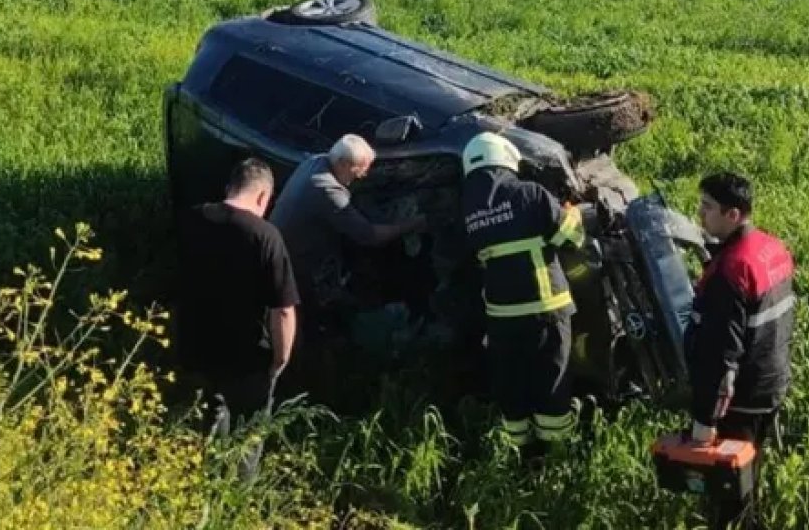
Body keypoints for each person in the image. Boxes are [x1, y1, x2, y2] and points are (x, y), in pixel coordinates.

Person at [172, 157, 299, 481]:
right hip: (247, 357)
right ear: (263, 196)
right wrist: (280, 359)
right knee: (248, 436)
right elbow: (283, 310)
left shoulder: (189, 220)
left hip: (193, 346)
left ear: (229, 187)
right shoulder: (265, 236)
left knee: (202, 427)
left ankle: (201, 488)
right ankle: (239, 498)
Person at [460, 131, 586, 451]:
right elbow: (570, 240)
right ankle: (555, 451)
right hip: (546, 307)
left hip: (501, 315)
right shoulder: (530, 193)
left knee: (512, 381)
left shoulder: (467, 210)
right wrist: (572, 213)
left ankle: (520, 451)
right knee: (552, 378)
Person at [684, 172, 796, 528]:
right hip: (771, 381)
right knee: (750, 477)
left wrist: (705, 421)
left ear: (733, 215)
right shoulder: (772, 248)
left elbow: (721, 356)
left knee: (729, 494)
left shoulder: (731, 272)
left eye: (707, 207)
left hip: (741, 399)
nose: (700, 214)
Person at [269, 134, 425, 370]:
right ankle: (323, 357)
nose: (362, 176)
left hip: (281, 251)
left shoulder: (315, 161)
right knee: (328, 312)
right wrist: (412, 224)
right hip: (298, 267)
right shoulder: (326, 190)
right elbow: (369, 236)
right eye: (358, 170)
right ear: (342, 163)